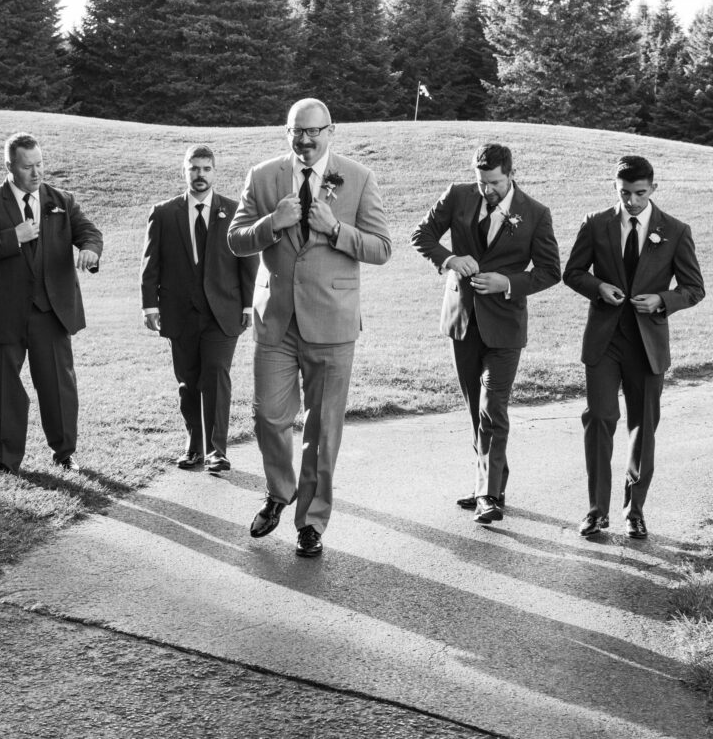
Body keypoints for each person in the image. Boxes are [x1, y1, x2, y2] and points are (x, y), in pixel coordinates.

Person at [227, 98, 392, 558]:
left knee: (323, 430)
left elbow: (381, 248)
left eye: (313, 131)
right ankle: (280, 492)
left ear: (331, 131)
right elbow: (236, 239)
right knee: (268, 417)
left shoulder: (358, 178)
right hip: (275, 320)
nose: (304, 139)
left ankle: (311, 522)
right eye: (296, 131)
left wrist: (336, 229)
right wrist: (270, 224)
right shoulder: (263, 176)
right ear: (288, 132)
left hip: (332, 322)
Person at [411, 143, 560, 524]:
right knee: (475, 408)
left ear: (511, 174)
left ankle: (488, 495)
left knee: (493, 408)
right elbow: (421, 234)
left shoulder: (535, 214)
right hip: (461, 321)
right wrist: (449, 259)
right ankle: (490, 483)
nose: (486, 190)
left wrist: (507, 283)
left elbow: (549, 271)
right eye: (481, 182)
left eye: (494, 182)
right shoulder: (458, 195)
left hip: (506, 325)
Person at [563, 154, 705, 540]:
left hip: (647, 344)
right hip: (604, 341)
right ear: (615, 187)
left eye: (640, 193)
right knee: (599, 420)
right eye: (624, 193)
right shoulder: (595, 224)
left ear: (653, 189)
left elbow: (694, 289)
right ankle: (595, 511)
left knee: (643, 429)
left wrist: (662, 300)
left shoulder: (675, 230)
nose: (632, 202)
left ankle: (635, 510)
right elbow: (572, 272)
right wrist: (598, 287)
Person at [0, 132, 103, 475]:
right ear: (9, 167)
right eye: (28, 167)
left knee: (58, 386)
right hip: (2, 312)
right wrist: (13, 238)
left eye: (40, 164)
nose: (36, 173)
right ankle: (6, 461)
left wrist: (90, 250)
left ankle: (65, 453)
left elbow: (89, 232)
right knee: (5, 389)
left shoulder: (61, 200)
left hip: (51, 312)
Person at [140, 145, 258, 472]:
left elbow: (249, 262)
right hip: (179, 312)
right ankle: (194, 445)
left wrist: (249, 304)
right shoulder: (164, 213)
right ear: (184, 171)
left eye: (206, 168)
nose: (200, 175)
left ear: (214, 172)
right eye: (194, 168)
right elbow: (151, 263)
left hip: (224, 312)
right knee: (188, 382)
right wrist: (149, 305)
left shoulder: (235, 211)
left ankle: (216, 450)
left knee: (216, 376)